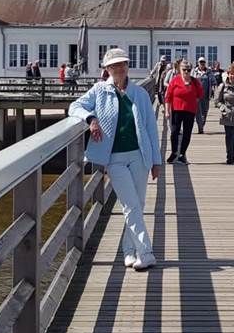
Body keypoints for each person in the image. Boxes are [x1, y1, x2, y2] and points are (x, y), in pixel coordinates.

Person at [69, 48, 163, 271]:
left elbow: (150, 128)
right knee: (130, 205)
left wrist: (156, 161)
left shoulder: (139, 93)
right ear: (107, 69)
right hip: (114, 158)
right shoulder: (100, 90)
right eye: (115, 66)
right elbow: (74, 106)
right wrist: (91, 118)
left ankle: (128, 252)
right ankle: (146, 252)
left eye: (123, 65)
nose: (120, 69)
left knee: (137, 204)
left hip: (140, 156)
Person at [164, 61, 203, 163]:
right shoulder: (175, 81)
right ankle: (174, 153)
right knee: (174, 132)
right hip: (176, 110)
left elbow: (200, 94)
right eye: (184, 70)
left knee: (187, 133)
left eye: (188, 70)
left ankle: (182, 154)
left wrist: (191, 101)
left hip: (190, 111)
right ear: (180, 70)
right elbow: (168, 97)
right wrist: (167, 111)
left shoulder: (195, 81)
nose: (186, 72)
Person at [194, 57, 216, 134]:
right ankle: (200, 127)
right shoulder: (194, 71)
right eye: (200, 62)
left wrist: (214, 91)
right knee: (197, 112)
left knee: (205, 112)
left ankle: (202, 125)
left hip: (206, 95)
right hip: (196, 96)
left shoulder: (209, 72)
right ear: (198, 63)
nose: (202, 64)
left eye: (203, 62)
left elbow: (214, 82)